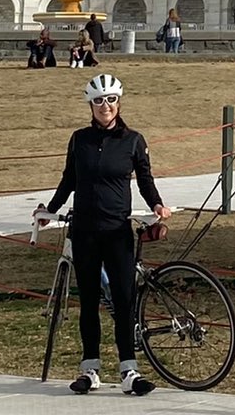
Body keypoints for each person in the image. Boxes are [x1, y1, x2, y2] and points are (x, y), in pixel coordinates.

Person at [34, 72, 170, 396]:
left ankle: (129, 371)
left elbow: (146, 179)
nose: (105, 106)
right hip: (84, 231)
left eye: (110, 100)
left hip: (117, 231)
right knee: (90, 300)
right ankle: (90, 368)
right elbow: (69, 179)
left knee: (124, 300)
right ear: (90, 105)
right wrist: (48, 211)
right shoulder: (79, 139)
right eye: (98, 101)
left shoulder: (133, 140)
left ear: (119, 102)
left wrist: (158, 204)